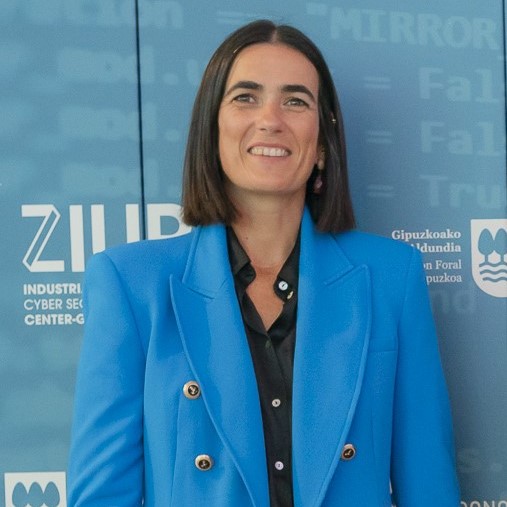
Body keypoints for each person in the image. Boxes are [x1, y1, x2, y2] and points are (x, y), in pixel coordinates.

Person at [67, 19, 461, 507]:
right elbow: (103, 496)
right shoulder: (131, 284)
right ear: (212, 129)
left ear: (322, 143)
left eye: (296, 101)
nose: (271, 119)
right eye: (245, 97)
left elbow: (429, 486)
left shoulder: (392, 277)